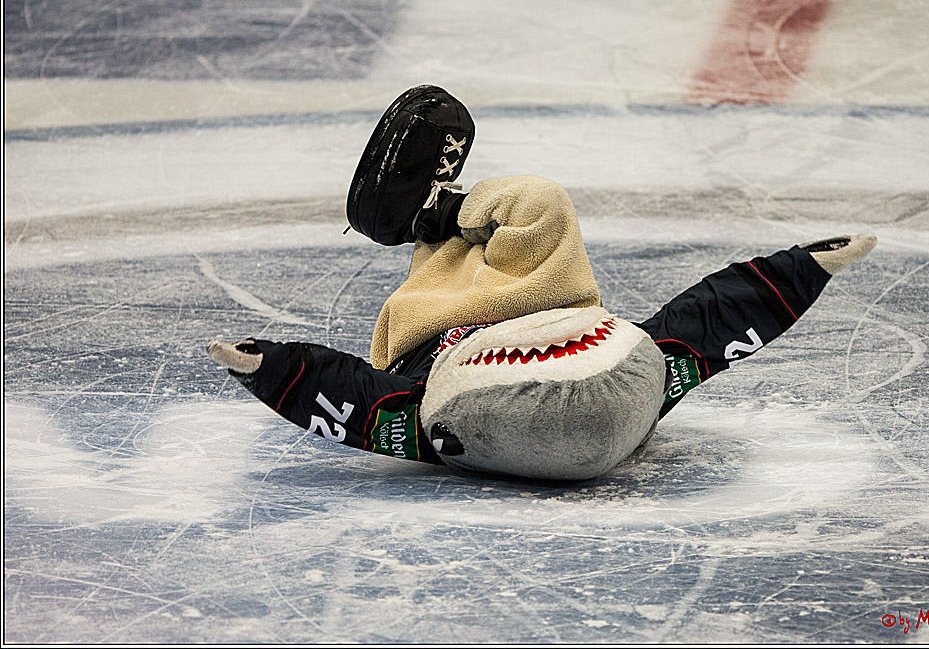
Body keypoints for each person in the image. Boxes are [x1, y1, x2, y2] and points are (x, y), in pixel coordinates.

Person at [207, 85, 876, 481]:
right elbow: (711, 325)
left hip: (438, 337)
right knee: (542, 207)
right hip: (549, 297)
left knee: (517, 217)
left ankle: (423, 218)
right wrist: (803, 268)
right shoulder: (646, 378)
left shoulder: (429, 423)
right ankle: (438, 213)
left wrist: (266, 366)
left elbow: (347, 400)